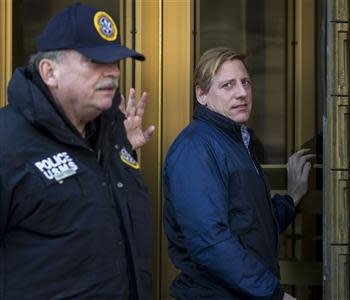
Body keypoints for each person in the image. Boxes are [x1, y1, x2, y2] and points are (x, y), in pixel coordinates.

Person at [0, 3, 154, 299]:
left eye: (116, 61)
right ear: (49, 72)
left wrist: (125, 152)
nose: (113, 72)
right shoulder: (7, 144)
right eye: (95, 61)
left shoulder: (111, 134)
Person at [163, 47, 315, 300]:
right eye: (227, 86)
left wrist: (291, 199)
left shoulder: (236, 142)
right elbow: (211, 242)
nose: (242, 93)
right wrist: (272, 294)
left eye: (245, 82)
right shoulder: (195, 148)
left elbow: (249, 225)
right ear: (201, 95)